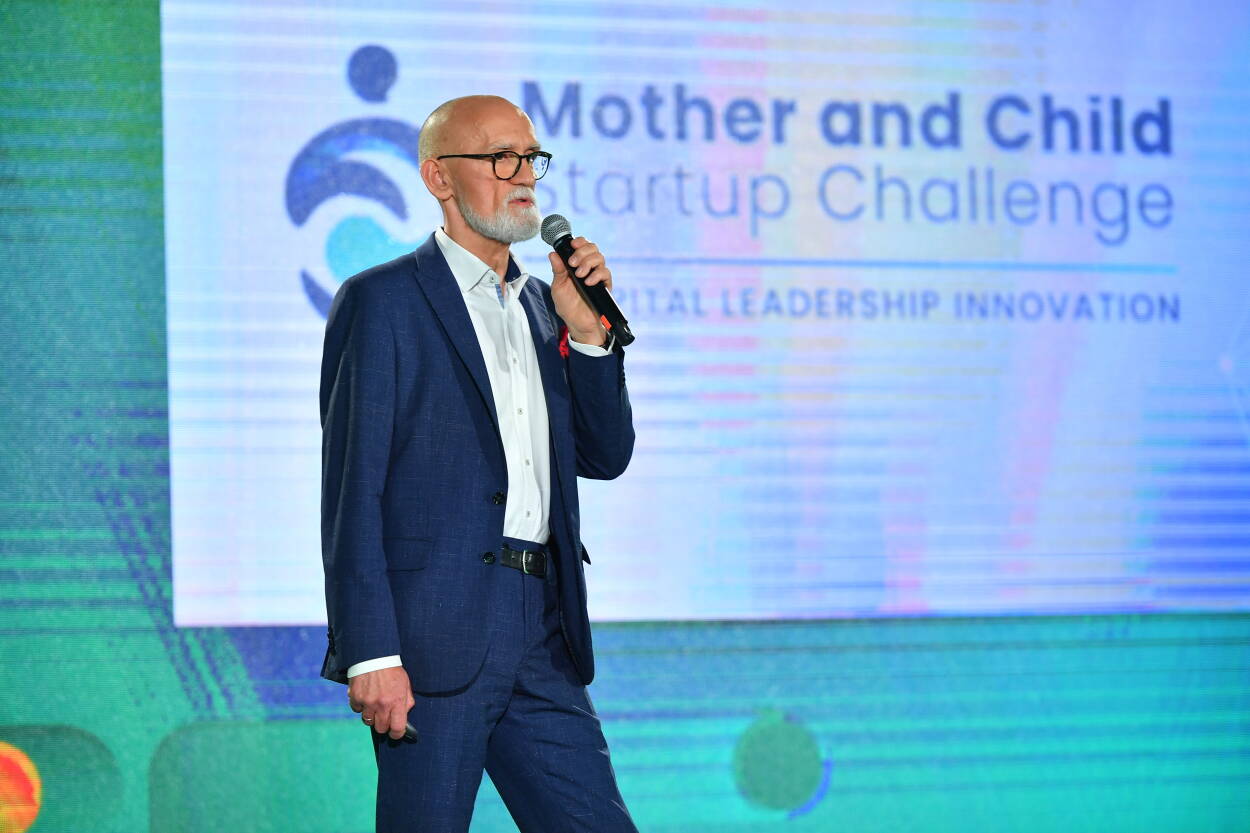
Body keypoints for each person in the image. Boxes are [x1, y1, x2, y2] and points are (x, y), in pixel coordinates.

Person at [318, 94, 638, 833]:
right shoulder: (383, 302)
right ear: (439, 177)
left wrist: (590, 337)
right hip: (433, 635)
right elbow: (353, 493)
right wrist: (370, 651)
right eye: (500, 157)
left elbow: (605, 455)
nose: (523, 174)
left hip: (544, 629)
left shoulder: (546, 306)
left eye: (530, 157)